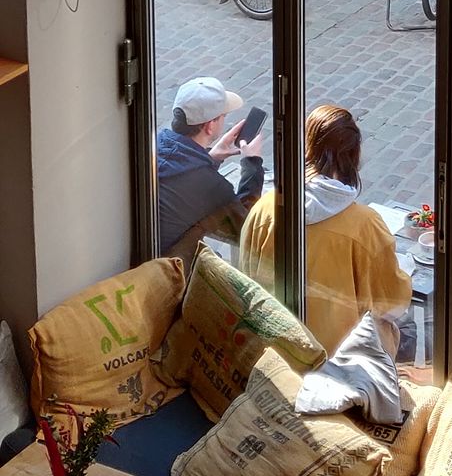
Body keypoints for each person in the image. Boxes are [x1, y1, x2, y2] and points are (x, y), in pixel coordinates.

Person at [240, 104, 414, 359]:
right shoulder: (365, 224)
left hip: (275, 352)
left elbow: (246, 278)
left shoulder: (265, 209)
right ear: (354, 156)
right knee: (409, 326)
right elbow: (392, 302)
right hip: (342, 361)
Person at [156, 76, 266, 269]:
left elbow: (183, 176)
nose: (224, 120)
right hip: (166, 268)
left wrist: (211, 158)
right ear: (210, 126)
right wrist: (252, 163)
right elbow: (245, 228)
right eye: (223, 116)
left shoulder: (154, 145)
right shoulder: (213, 188)